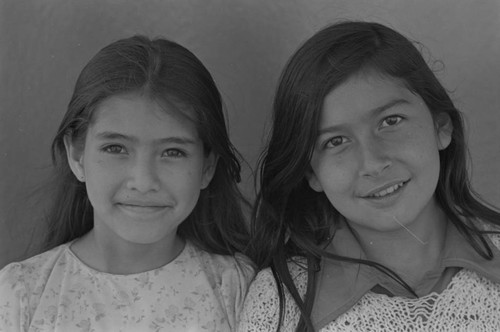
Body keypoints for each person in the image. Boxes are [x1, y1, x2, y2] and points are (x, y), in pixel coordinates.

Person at [238, 21, 500, 332]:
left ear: (441, 127)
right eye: (335, 141)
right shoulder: (277, 307)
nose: (373, 163)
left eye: (391, 121)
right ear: (312, 173)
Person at [0, 35, 254, 332]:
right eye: (116, 148)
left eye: (173, 152)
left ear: (207, 167)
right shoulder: (20, 295)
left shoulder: (238, 289)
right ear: (77, 155)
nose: (144, 181)